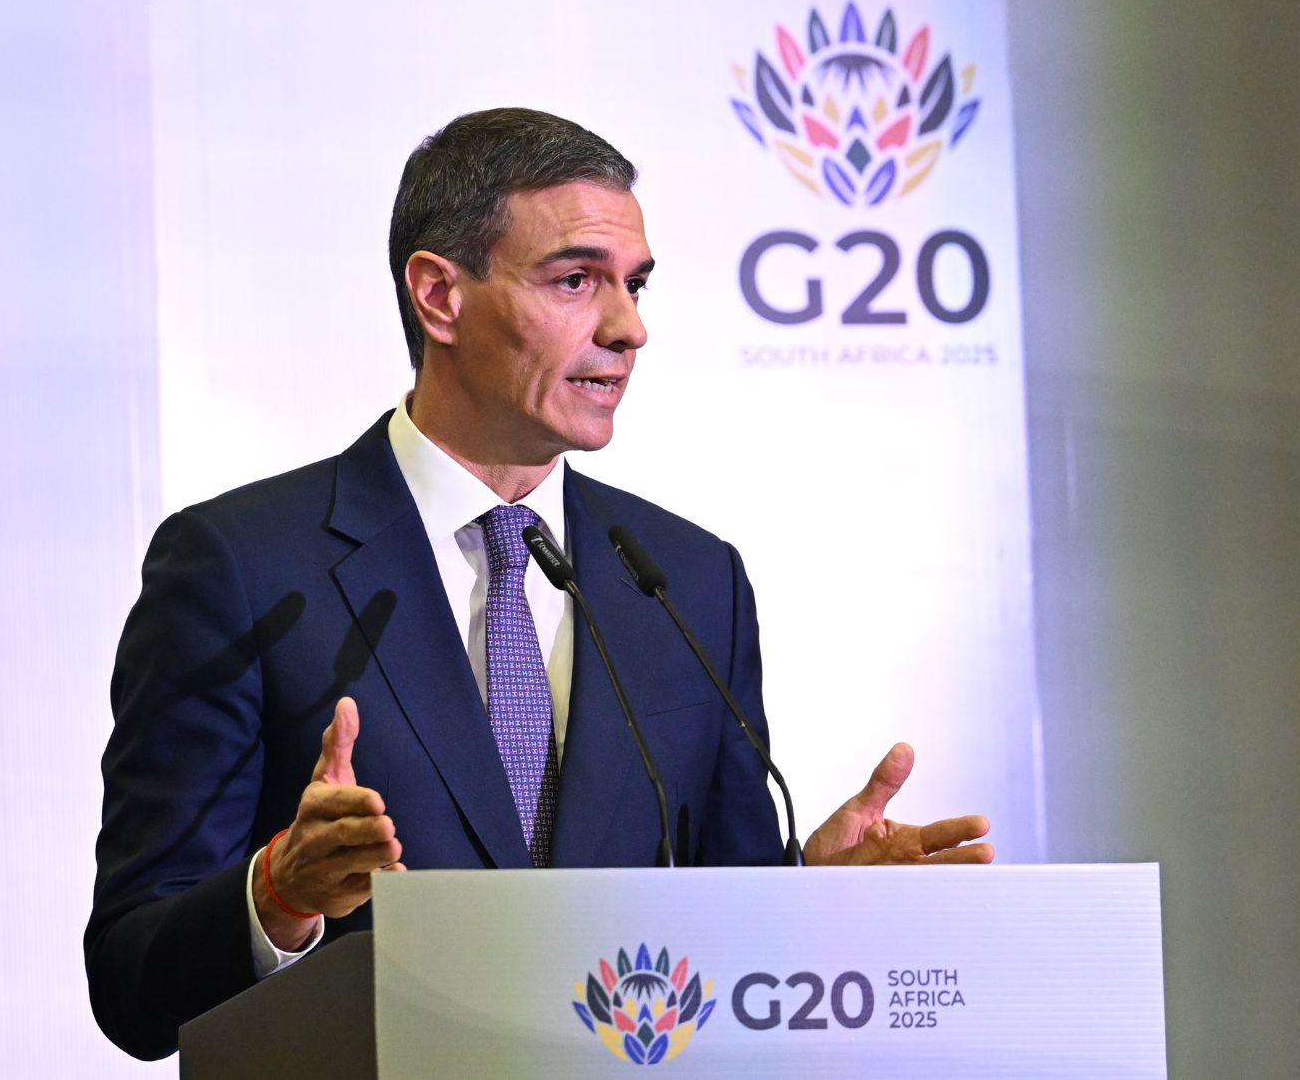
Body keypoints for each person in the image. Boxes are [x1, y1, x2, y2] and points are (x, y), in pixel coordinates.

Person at [84, 108, 993, 1061]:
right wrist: (277, 895)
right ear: (440, 296)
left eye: (635, 284)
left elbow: (720, 951)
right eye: (575, 280)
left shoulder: (689, 580)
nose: (629, 328)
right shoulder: (241, 567)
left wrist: (811, 904)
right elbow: (130, 980)